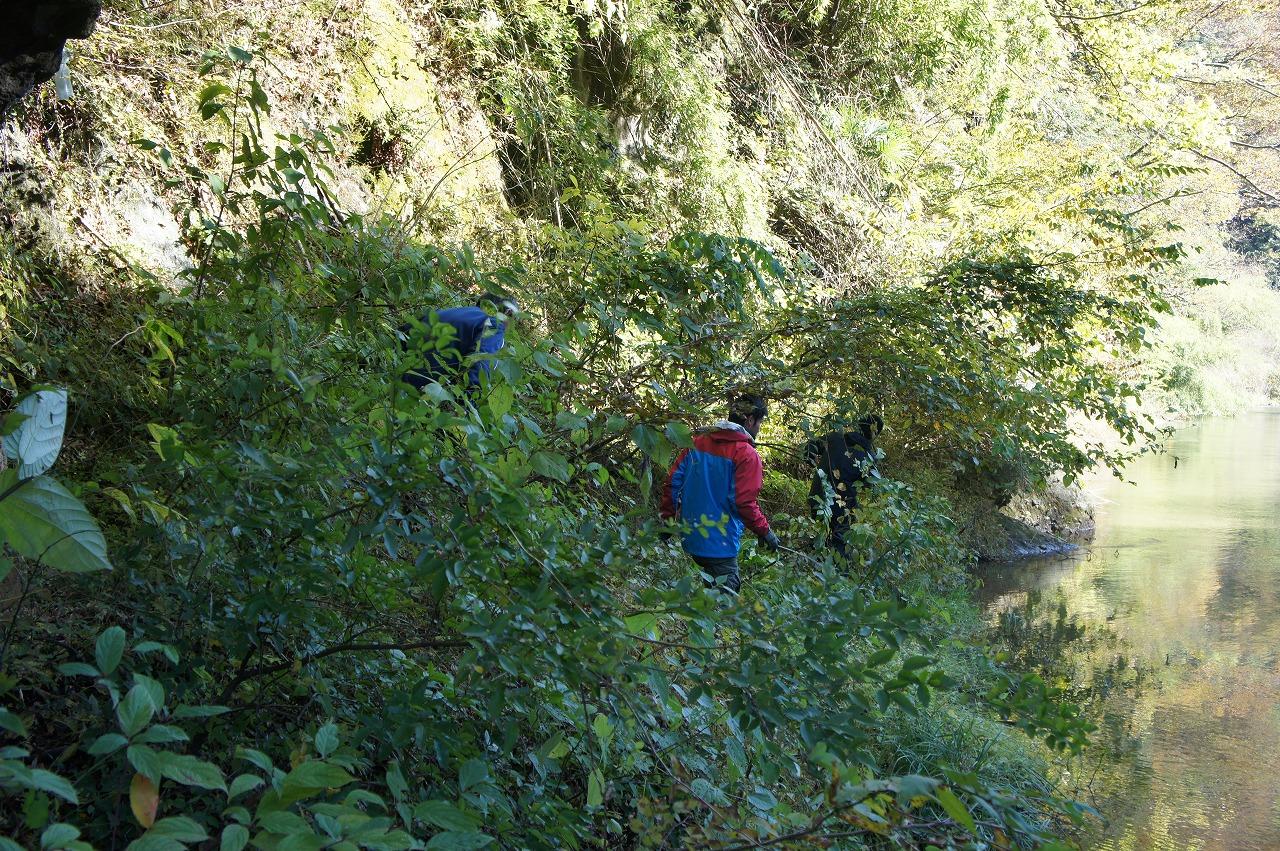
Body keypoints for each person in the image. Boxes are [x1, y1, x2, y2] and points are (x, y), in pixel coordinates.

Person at [660, 395, 780, 594]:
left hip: (690, 537)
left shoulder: (697, 442)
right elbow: (744, 502)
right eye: (760, 422)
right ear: (750, 420)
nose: (759, 428)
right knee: (724, 607)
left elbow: (672, 483)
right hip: (720, 545)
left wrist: (667, 520)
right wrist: (764, 531)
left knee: (703, 596)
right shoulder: (746, 455)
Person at [400, 294, 519, 390]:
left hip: (394, 370)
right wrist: (466, 403)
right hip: (414, 389)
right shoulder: (494, 325)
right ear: (508, 313)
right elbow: (480, 360)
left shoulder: (451, 311)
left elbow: (405, 332)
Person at [804, 414, 882, 558]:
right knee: (839, 553)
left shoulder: (834, 438)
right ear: (874, 434)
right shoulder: (869, 457)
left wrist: (810, 459)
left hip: (818, 497)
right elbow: (869, 487)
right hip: (841, 508)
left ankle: (814, 566)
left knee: (819, 542)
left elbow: (811, 445)